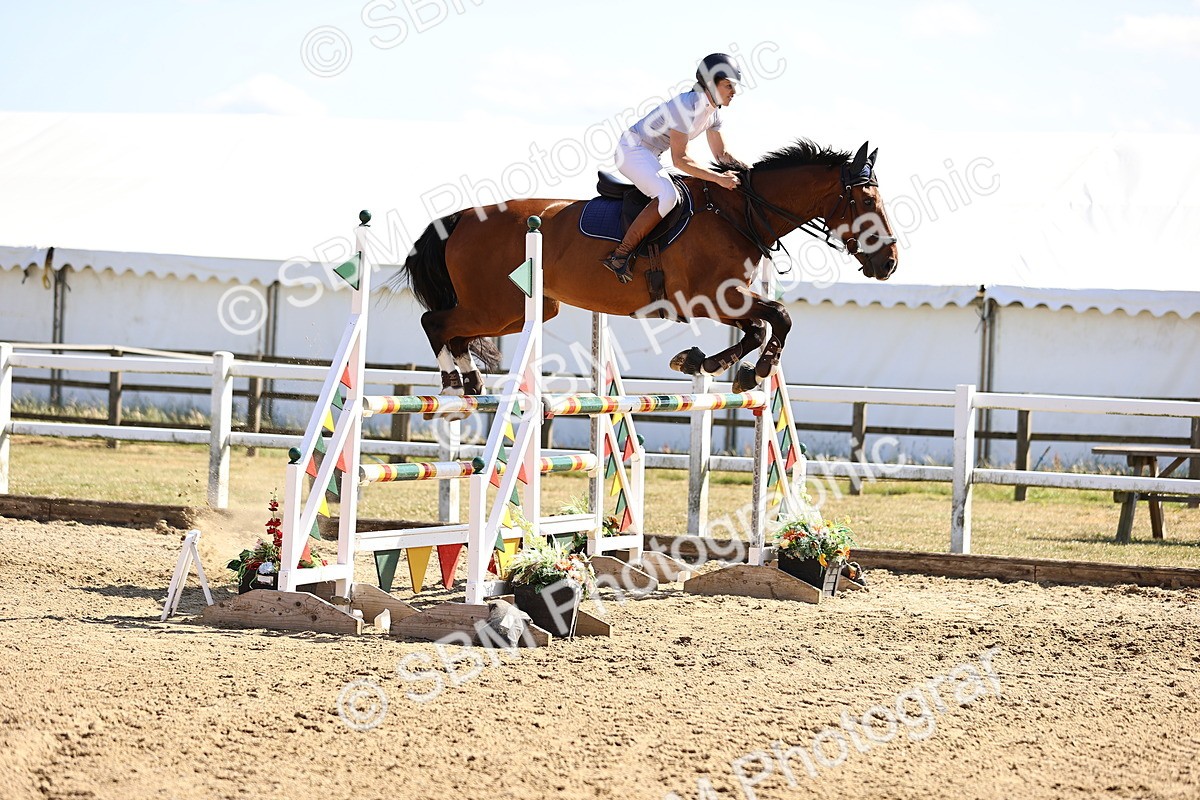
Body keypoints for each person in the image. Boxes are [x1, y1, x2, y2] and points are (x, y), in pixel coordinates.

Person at [601, 53, 744, 283]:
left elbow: (722, 155)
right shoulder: (688, 105)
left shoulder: (713, 112)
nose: (734, 92)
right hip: (631, 149)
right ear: (711, 83)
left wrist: (750, 173)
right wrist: (718, 179)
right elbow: (680, 159)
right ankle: (620, 255)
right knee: (667, 195)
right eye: (728, 85)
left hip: (650, 154)